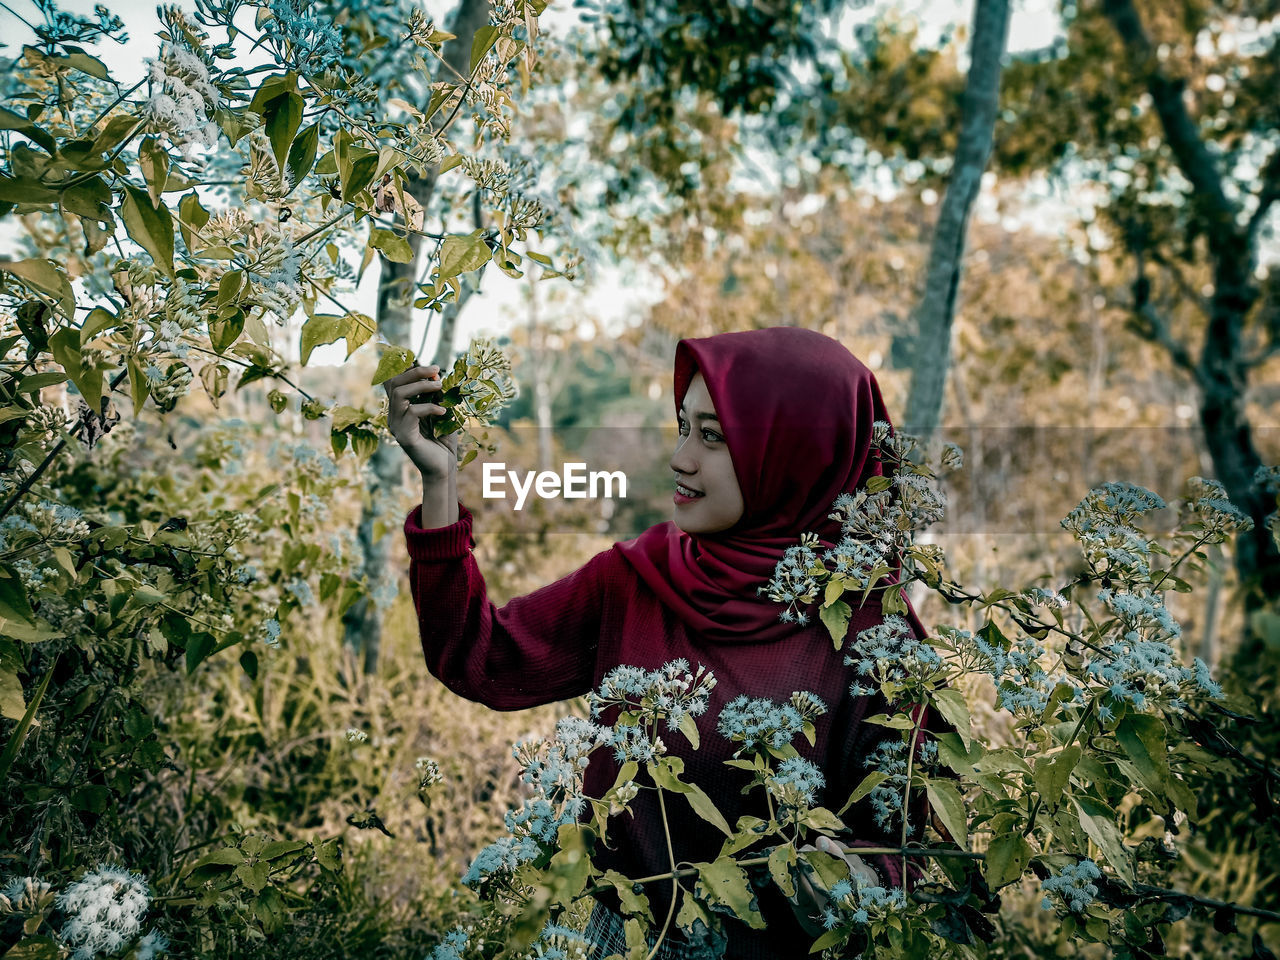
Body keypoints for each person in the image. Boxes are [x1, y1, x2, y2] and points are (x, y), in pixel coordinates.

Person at [388, 327, 947, 960]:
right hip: (605, 940)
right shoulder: (637, 578)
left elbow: (907, 850)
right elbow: (480, 657)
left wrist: (855, 881)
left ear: (793, 453)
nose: (681, 457)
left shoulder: (874, 640)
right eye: (684, 427)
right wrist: (440, 485)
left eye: (713, 436)